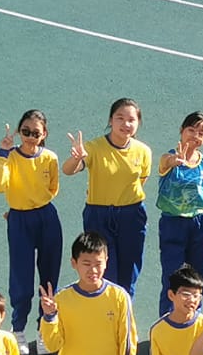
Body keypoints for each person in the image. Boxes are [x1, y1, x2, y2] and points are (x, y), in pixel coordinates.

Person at [63, 98, 152, 297]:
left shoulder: (143, 151)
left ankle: (125, 310)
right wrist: (76, 158)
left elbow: (141, 181)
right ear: (111, 120)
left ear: (138, 123)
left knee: (129, 271)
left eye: (131, 119)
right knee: (102, 269)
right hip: (99, 215)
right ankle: (104, 308)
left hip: (132, 215)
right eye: (120, 118)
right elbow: (68, 170)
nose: (125, 124)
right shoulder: (94, 147)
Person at [0, 111, 63, 355]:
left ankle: (45, 328)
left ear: (44, 134)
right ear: (18, 132)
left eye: (36, 133)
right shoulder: (10, 157)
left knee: (49, 274)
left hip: (47, 218)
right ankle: (18, 328)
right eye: (25, 131)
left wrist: (33, 203)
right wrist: (2, 153)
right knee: (21, 277)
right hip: (19, 220)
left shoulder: (50, 158)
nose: (30, 137)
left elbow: (53, 188)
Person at [156, 112, 203, 318]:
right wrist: (174, 161)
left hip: (200, 222)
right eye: (191, 130)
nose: (195, 135)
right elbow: (166, 163)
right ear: (181, 131)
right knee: (172, 275)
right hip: (173, 222)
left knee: (200, 275)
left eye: (201, 133)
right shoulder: (168, 157)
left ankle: (194, 316)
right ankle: (168, 319)